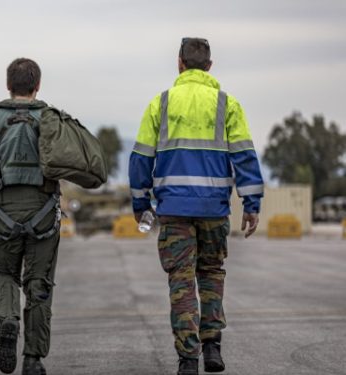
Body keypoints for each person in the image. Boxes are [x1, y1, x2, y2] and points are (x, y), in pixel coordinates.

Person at [129, 38, 265, 375]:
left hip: (173, 209)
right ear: (209, 66)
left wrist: (139, 202)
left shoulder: (160, 104)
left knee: (181, 279)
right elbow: (245, 157)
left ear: (179, 63)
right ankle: (213, 348)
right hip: (214, 210)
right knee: (212, 273)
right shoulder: (226, 104)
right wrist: (252, 203)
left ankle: (187, 359)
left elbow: (140, 159)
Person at [0, 57, 73, 375]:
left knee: (4, 277)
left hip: (1, 214)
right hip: (44, 215)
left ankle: (7, 323)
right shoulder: (53, 121)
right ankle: (33, 360)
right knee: (39, 284)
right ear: (37, 86)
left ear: (8, 86)